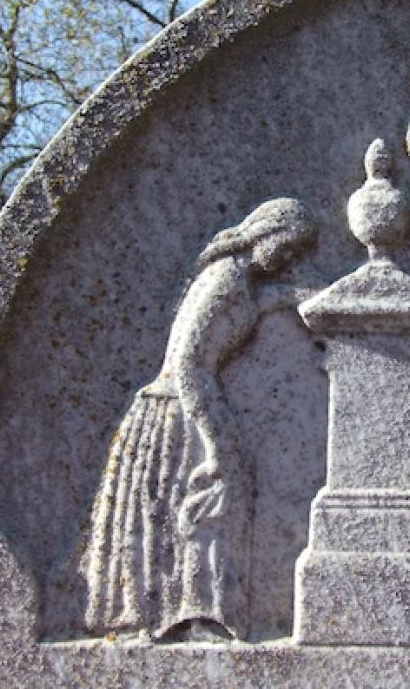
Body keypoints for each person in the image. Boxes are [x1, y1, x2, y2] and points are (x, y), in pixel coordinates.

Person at [84, 198, 318, 642]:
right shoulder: (226, 282)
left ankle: (196, 614)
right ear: (265, 232)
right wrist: (214, 442)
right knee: (212, 502)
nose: (289, 258)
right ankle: (192, 616)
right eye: (287, 246)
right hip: (181, 409)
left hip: (186, 404)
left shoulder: (235, 280)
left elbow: (247, 309)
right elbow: (190, 365)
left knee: (211, 503)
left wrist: (289, 297)